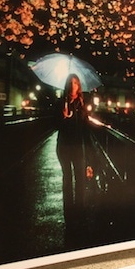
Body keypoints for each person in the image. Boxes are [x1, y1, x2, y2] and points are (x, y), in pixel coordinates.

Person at [56, 73, 89, 225]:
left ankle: (80, 210)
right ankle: (68, 211)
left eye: (75, 83)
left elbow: (85, 128)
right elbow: (55, 126)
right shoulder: (61, 103)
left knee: (80, 179)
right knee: (67, 179)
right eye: (70, 82)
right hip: (63, 146)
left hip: (77, 146)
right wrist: (62, 117)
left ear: (79, 86)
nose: (73, 85)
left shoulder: (81, 104)